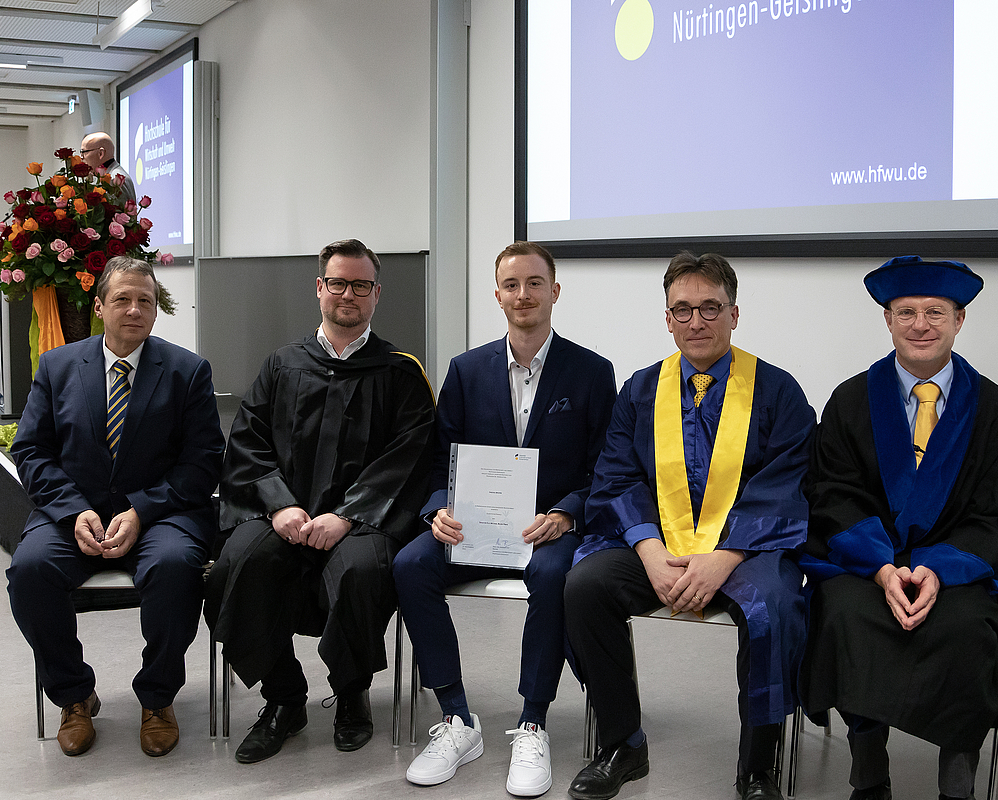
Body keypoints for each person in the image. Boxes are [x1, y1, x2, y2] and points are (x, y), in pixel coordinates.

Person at [564, 252, 816, 800]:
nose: (696, 321)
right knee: (585, 587)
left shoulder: (777, 391)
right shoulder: (640, 390)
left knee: (772, 606)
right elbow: (616, 477)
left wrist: (725, 556)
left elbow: (788, 482)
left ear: (734, 314)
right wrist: (650, 552)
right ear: (668, 319)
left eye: (710, 308)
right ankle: (622, 744)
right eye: (683, 310)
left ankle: (757, 768)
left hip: (746, 552)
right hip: (660, 547)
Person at [798, 255, 998, 800]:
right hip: (867, 566)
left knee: (965, 629)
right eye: (906, 312)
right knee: (846, 614)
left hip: (958, 572)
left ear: (960, 320)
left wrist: (937, 568)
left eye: (935, 312)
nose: (920, 325)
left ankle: (956, 784)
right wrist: (882, 568)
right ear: (887, 320)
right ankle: (870, 777)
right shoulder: (850, 402)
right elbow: (831, 495)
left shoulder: (995, 412)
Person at [393, 241, 617, 796]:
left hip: (548, 530)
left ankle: (533, 722)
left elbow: (605, 468)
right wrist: (438, 510)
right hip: (474, 525)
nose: (523, 295)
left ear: (554, 291)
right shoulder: (466, 370)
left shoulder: (592, 372)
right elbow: (440, 459)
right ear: (497, 296)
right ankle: (457, 718)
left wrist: (567, 513)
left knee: (553, 574)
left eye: (535, 283)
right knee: (410, 565)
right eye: (512, 285)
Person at [204, 238, 436, 764]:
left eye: (360, 285)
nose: (348, 294)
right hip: (285, 514)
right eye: (337, 283)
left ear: (377, 293)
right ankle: (284, 698)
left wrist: (347, 516)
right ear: (319, 288)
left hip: (363, 520)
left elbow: (410, 457)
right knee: (237, 564)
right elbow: (248, 441)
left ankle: (352, 693)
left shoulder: (400, 372)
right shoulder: (283, 364)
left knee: (361, 571)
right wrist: (279, 505)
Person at [6, 256, 225, 757]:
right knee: (30, 571)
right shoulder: (58, 366)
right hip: (73, 512)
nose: (134, 309)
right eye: (122, 299)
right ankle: (74, 695)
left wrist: (142, 510)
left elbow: (203, 462)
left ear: (156, 310)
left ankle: (158, 697)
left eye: (145, 300)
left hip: (162, 514)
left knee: (175, 567)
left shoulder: (187, 371)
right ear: (100, 306)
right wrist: (73, 510)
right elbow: (31, 450)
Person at [80, 131, 136, 203]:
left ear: (101, 153)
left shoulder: (115, 179)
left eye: (84, 152)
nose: (81, 157)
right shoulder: (110, 175)